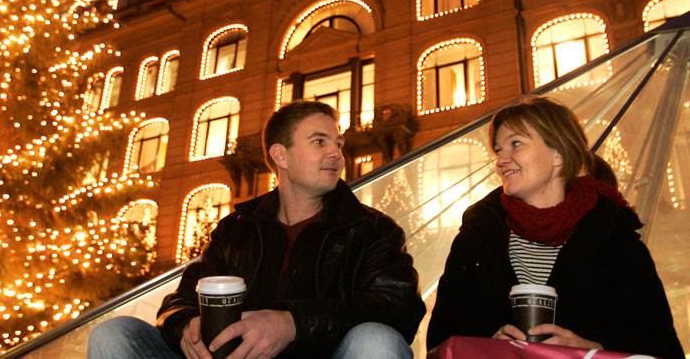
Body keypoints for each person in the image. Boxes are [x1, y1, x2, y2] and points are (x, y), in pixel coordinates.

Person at [89, 100, 425, 359]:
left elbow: (398, 308)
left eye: (337, 143)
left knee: (377, 341)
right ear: (281, 155)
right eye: (319, 141)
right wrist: (185, 327)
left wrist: (292, 323)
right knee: (113, 333)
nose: (336, 153)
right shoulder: (236, 229)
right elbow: (183, 299)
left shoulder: (373, 230)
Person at [426, 96, 684, 358]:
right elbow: (441, 342)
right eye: (498, 150)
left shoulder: (614, 239)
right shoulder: (478, 236)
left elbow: (660, 347)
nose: (501, 160)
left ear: (558, 155)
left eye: (515, 144)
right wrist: (488, 345)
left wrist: (592, 351)